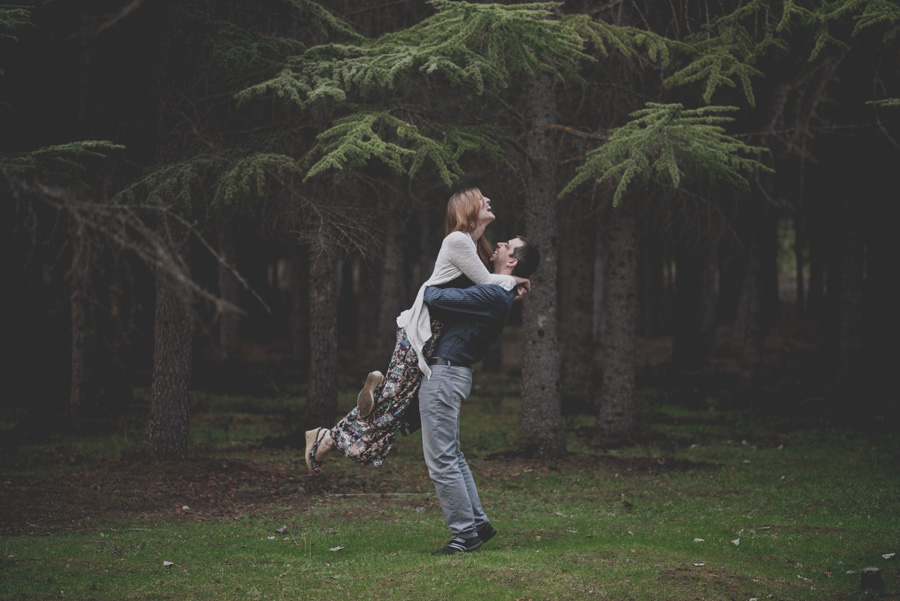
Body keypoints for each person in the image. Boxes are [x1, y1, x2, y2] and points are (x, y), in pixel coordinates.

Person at [304, 188, 530, 473]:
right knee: (394, 403)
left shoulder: (472, 245)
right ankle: (329, 436)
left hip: (431, 335)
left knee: (398, 405)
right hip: (420, 331)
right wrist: (518, 280)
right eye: (481, 198)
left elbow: (483, 287)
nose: (488, 199)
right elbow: (486, 282)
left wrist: (512, 282)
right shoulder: (458, 240)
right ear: (469, 209)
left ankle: (333, 431)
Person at [419, 235, 541, 555]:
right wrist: (513, 280)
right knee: (452, 455)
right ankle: (478, 523)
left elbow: (433, 295)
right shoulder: (498, 290)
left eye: (506, 245)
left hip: (445, 375)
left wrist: (508, 281)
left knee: (441, 460)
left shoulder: (493, 292)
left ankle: (465, 535)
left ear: (512, 261)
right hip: (451, 373)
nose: (498, 244)